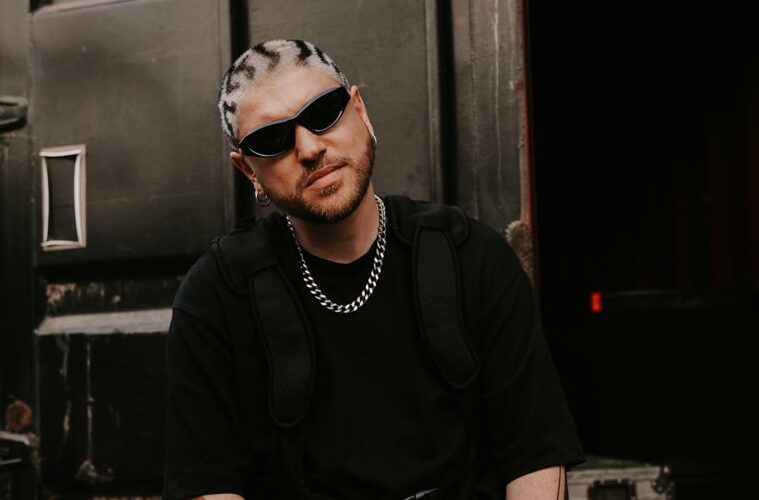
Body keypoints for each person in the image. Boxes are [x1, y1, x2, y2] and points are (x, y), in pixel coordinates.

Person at [163, 39, 584, 500]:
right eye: (271, 139)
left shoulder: (473, 256)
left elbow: (535, 453)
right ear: (249, 172)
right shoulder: (217, 297)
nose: (309, 147)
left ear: (360, 112)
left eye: (324, 112)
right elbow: (208, 484)